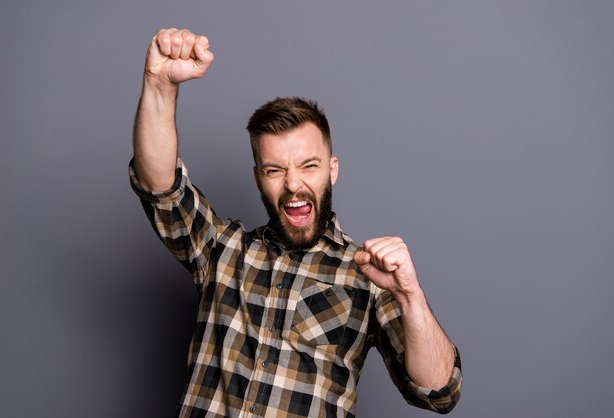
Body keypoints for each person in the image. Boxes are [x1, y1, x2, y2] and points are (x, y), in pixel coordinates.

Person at [130, 28, 462, 417]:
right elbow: (160, 187)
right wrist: (159, 84)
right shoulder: (221, 249)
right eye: (275, 170)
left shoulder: (369, 277)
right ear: (258, 178)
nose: (293, 184)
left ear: (332, 171)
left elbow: (439, 390)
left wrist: (409, 294)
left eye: (309, 166)